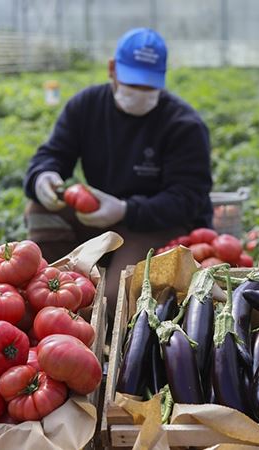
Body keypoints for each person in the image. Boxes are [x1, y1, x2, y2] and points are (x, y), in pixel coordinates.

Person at [22, 28, 213, 311]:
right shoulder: (86, 107)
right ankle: (55, 280)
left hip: (156, 223)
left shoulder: (183, 125)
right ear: (112, 69)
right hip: (98, 217)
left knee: (115, 300)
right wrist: (43, 177)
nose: (140, 93)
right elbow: (52, 154)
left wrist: (125, 210)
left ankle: (101, 297)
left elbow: (188, 200)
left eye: (149, 87)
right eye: (132, 83)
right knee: (40, 210)